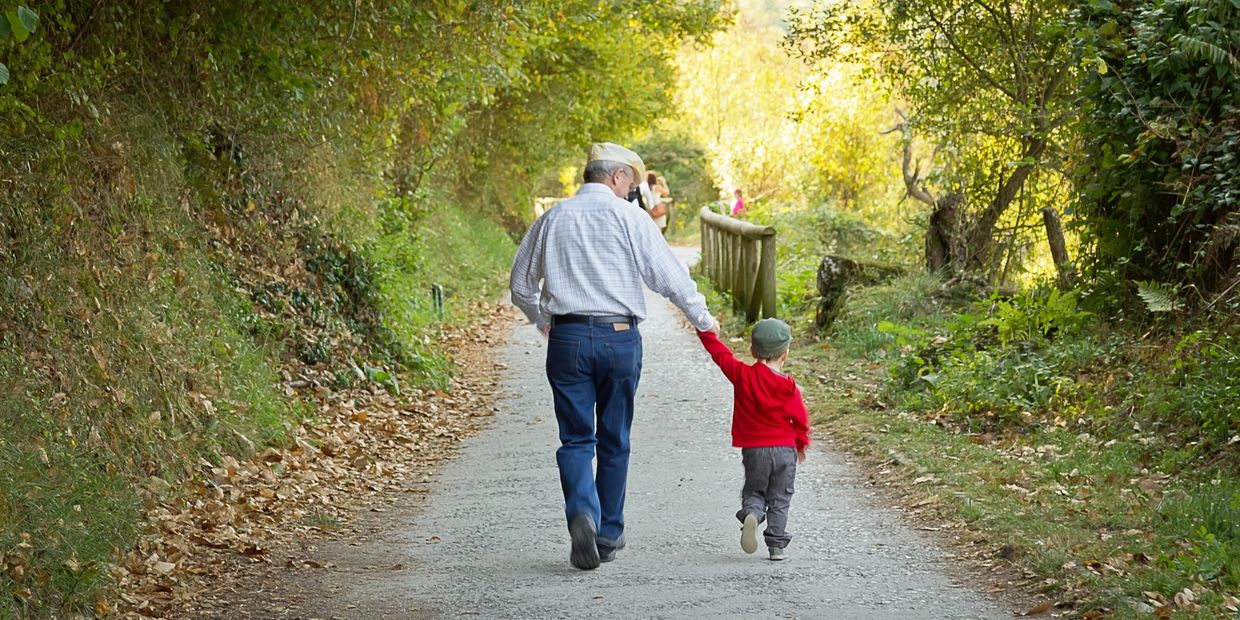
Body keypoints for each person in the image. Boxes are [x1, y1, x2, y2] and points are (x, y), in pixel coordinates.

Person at [510, 142, 719, 570]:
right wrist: (703, 319)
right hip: (620, 338)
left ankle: (582, 513)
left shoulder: (553, 218)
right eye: (632, 182)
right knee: (614, 437)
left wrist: (542, 318)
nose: (631, 191)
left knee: (575, 438)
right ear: (617, 176)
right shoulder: (630, 218)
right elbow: (669, 278)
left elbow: (520, 285)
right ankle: (608, 533)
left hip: (567, 339)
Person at [696, 318, 810, 561]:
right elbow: (801, 419)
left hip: (755, 449)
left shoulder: (742, 375)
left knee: (755, 490)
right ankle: (776, 547)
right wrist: (800, 444)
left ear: (752, 350)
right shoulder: (789, 386)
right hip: (784, 450)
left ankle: (752, 514)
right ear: (785, 354)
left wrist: (704, 329)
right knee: (780, 496)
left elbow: (720, 355)